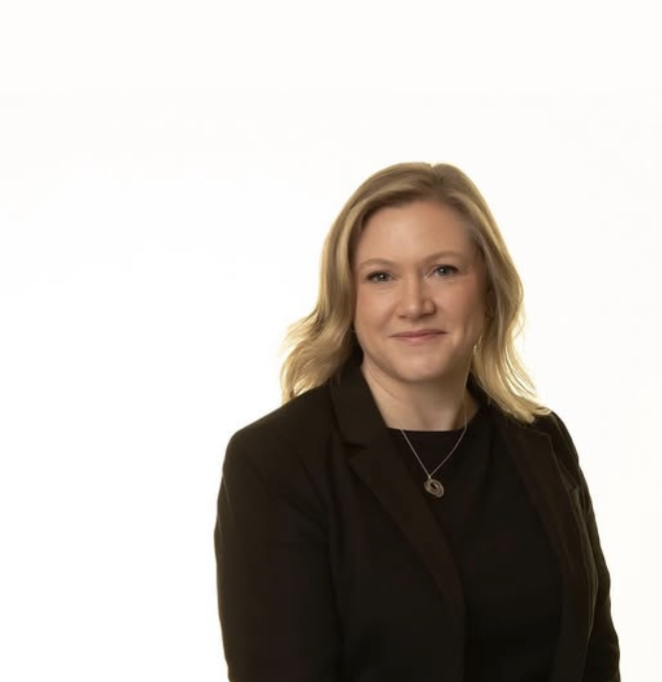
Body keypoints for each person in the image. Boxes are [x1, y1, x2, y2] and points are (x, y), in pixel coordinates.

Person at [214, 163, 620, 682]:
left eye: (443, 270)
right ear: (348, 297)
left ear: (488, 287)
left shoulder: (542, 440)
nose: (414, 304)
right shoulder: (277, 461)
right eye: (381, 277)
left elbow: (595, 660)